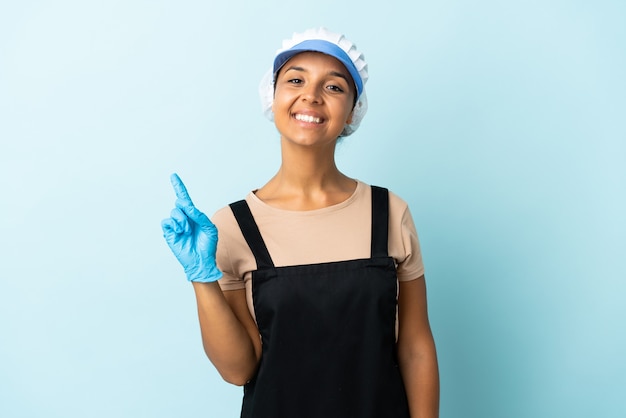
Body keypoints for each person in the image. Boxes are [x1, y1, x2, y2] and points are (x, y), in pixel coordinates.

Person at [161, 28, 439, 418]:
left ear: (352, 112)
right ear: (272, 98)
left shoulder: (389, 212)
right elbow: (239, 369)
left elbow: (414, 345)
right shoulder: (233, 226)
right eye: (295, 80)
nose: (311, 95)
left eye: (335, 86)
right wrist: (202, 278)